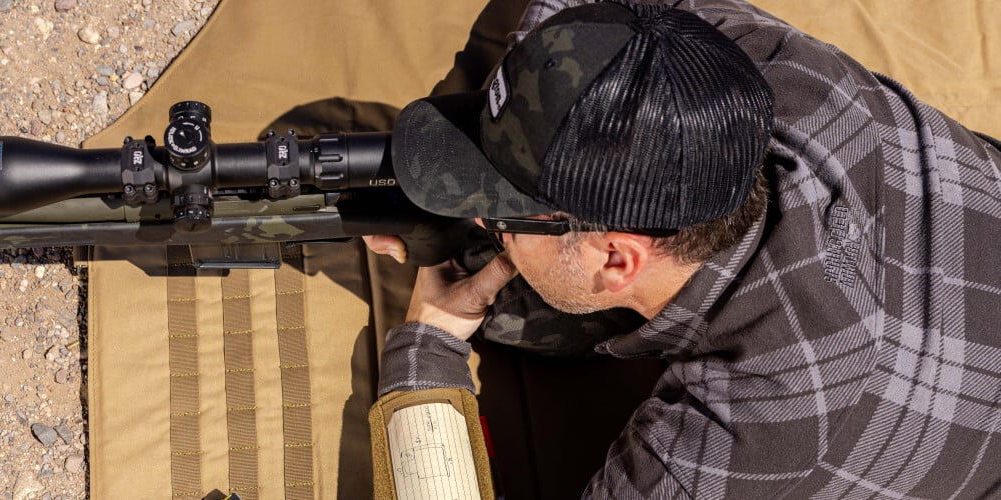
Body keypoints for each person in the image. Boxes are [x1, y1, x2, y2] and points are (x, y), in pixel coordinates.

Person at [366, 0, 1001, 497]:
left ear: (617, 259)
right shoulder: (734, 64)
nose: (480, 219)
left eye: (503, 213)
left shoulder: (759, 425)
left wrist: (431, 340)